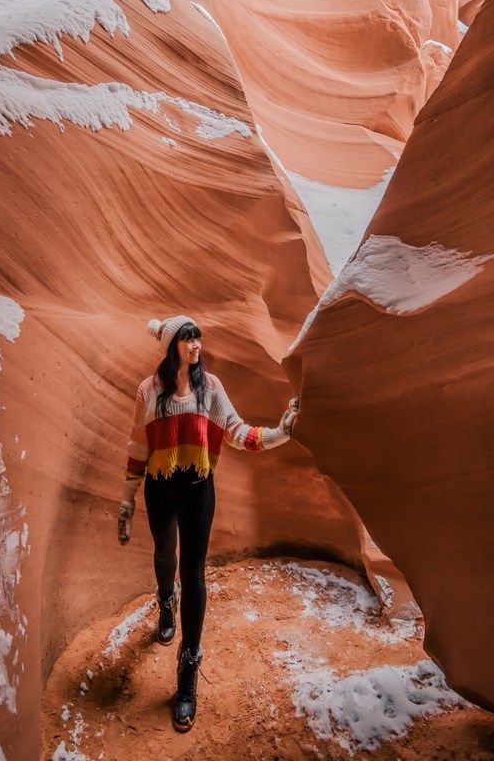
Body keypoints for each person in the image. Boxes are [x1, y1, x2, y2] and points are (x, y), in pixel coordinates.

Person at [117, 314, 299, 733]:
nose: (196, 344)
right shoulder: (149, 390)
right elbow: (137, 444)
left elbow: (235, 430)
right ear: (171, 347)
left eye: (198, 337)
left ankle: (187, 673)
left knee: (193, 572)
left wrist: (278, 434)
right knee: (165, 554)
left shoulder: (210, 388)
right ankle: (166, 603)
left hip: (198, 488)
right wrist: (126, 501)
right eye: (187, 338)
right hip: (161, 488)